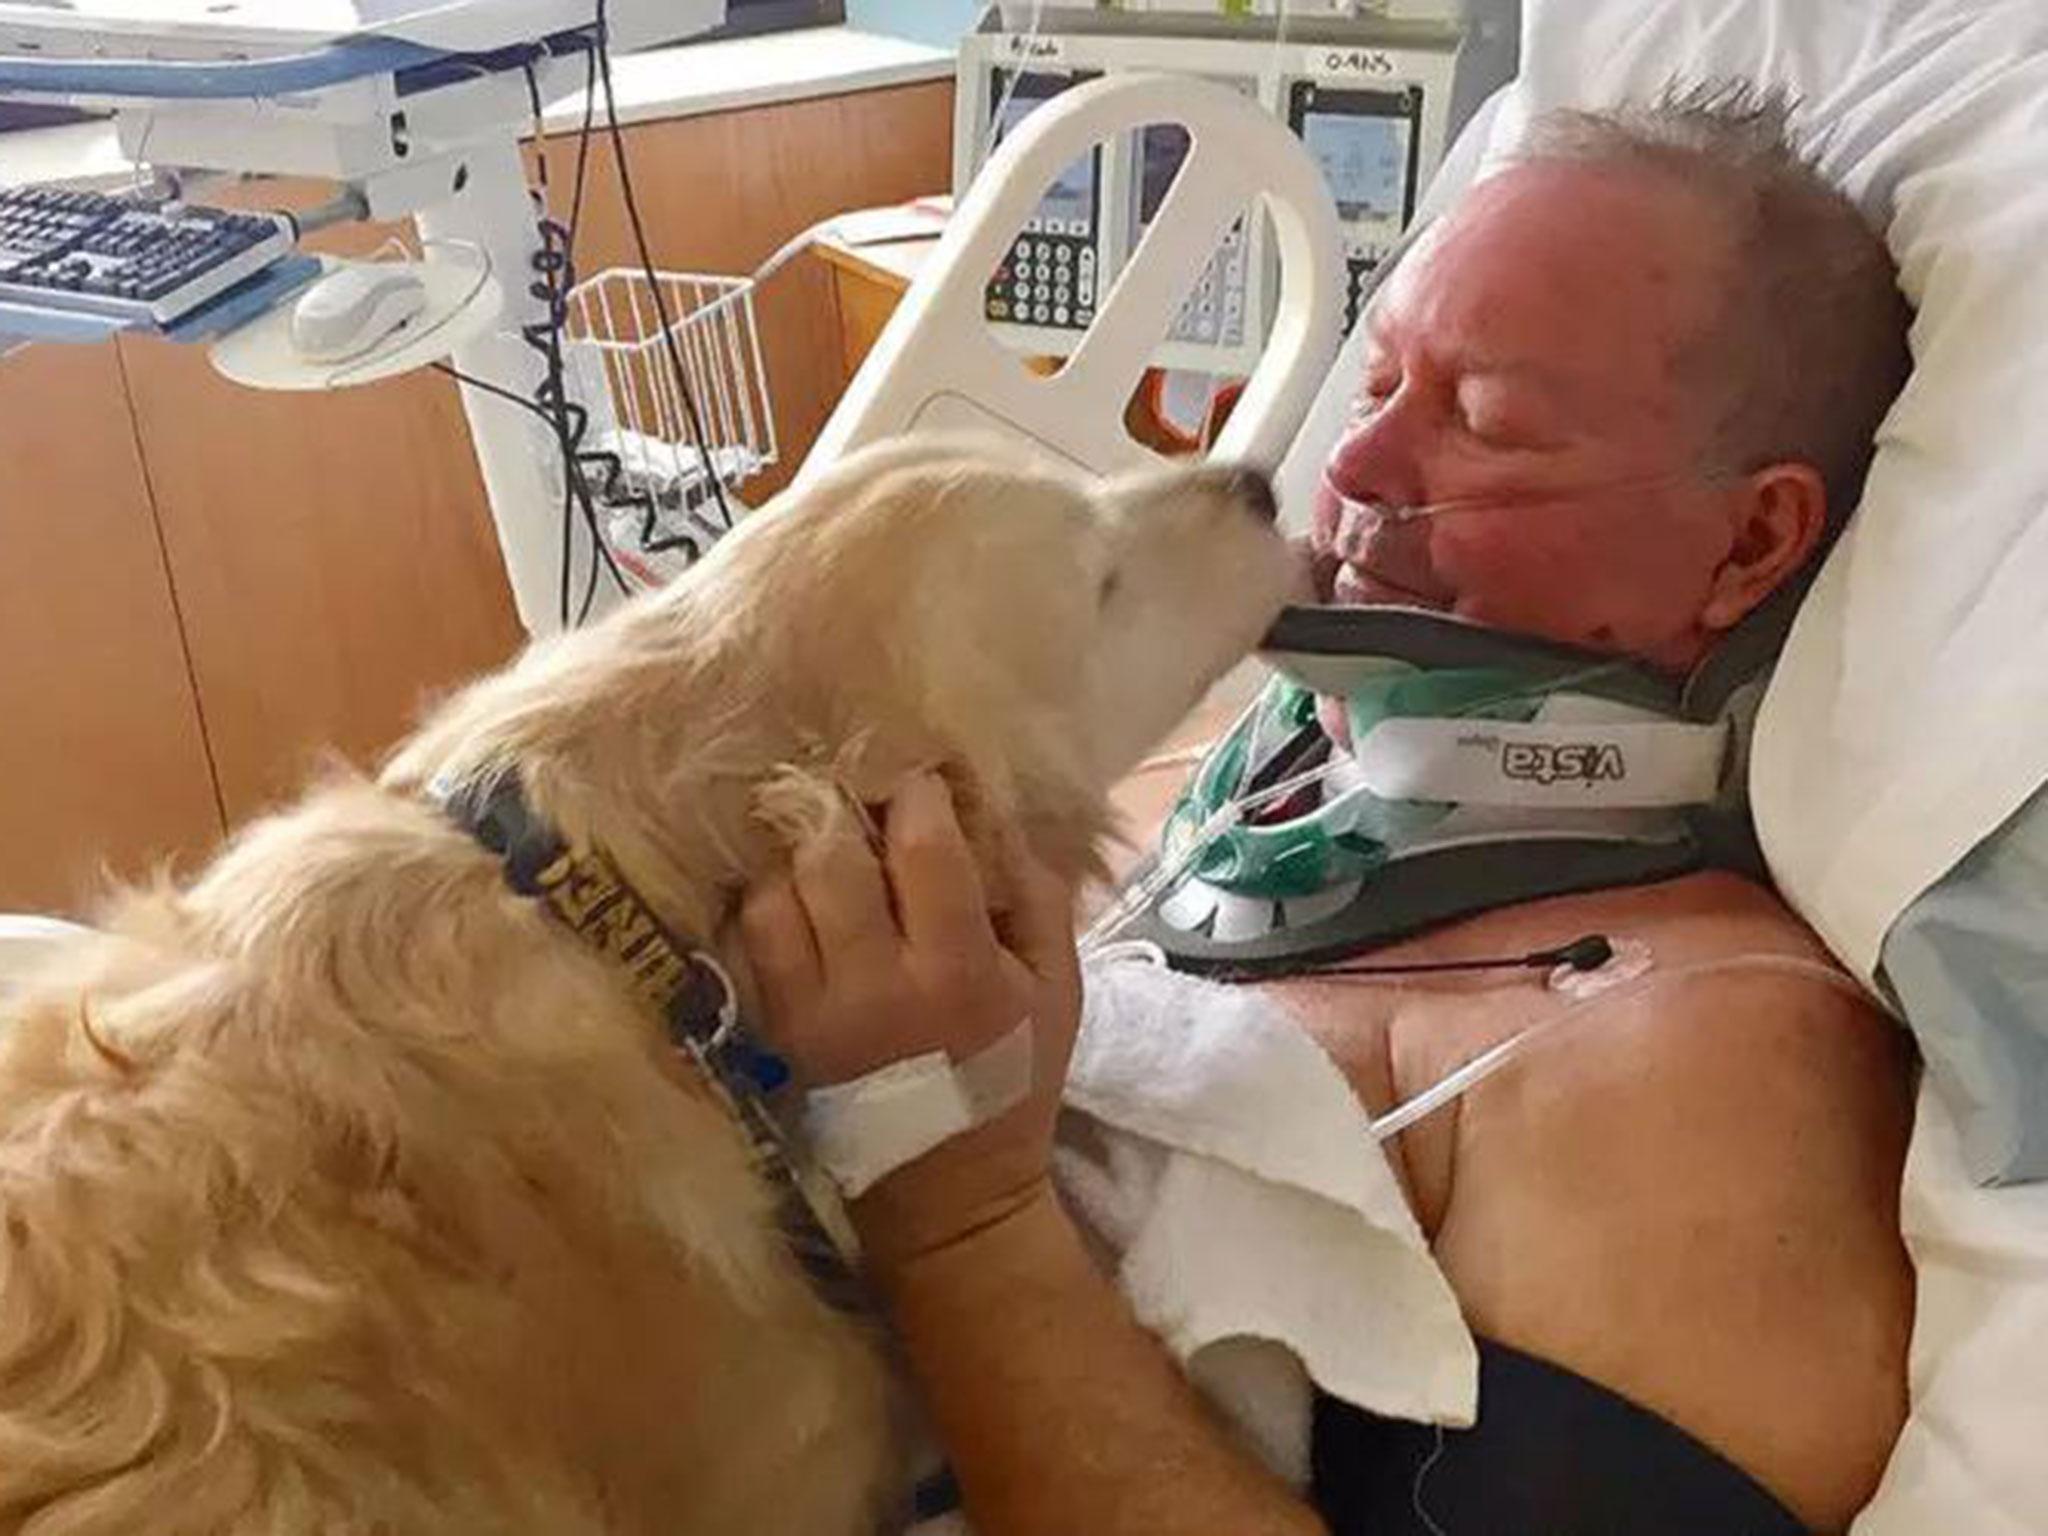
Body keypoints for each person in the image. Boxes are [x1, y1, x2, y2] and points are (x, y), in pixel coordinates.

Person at [740, 89, 1917, 1536]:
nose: (1353, 470)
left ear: (1751, 540)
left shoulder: (1703, 1058)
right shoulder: (1211, 771)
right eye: (1377, 389)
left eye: (1483, 424)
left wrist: (958, 1209)